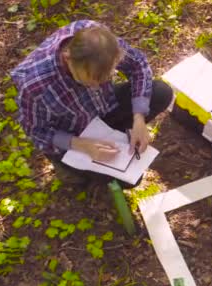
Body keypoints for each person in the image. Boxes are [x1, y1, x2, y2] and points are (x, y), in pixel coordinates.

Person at [11, 20, 173, 186]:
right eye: (89, 81)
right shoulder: (35, 85)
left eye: (104, 79)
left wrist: (138, 118)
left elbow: (138, 64)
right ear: (68, 59)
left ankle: (116, 135)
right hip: (73, 132)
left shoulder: (99, 40)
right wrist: (83, 145)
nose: (96, 87)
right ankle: (68, 166)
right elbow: (36, 131)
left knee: (161, 92)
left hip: (102, 107)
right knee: (131, 180)